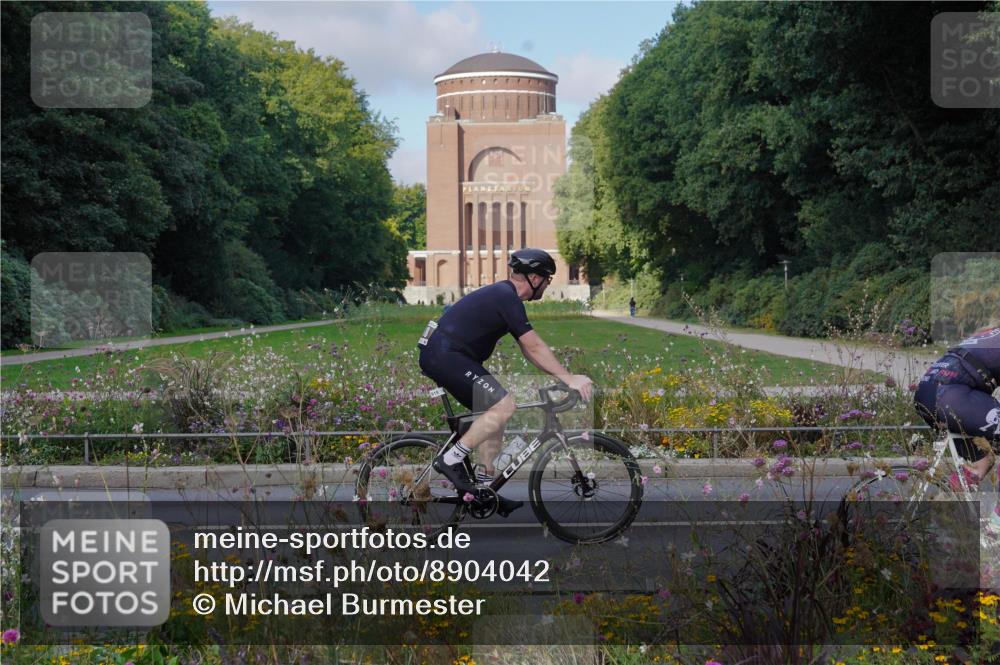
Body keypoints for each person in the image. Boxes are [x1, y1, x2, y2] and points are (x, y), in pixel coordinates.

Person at [417, 248, 594, 514]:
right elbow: (534, 346)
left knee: (495, 414)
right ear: (534, 278)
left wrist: (558, 375)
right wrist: (569, 379)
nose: (547, 284)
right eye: (547, 279)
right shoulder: (506, 297)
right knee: (504, 406)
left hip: (445, 354)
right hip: (445, 355)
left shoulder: (504, 296)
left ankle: (485, 490)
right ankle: (451, 459)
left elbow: (527, 349)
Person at [914, 323, 1000, 489]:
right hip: (950, 397)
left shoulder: (991, 333)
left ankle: (948, 507)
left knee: (983, 461)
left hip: (926, 394)